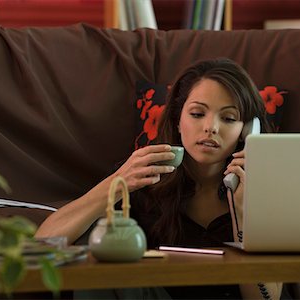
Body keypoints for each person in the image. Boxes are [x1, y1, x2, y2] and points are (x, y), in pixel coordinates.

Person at [36, 58, 283, 299]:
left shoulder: (261, 190)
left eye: (228, 118)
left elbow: (266, 298)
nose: (211, 128)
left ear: (246, 130)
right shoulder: (141, 176)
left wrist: (245, 215)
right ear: (177, 120)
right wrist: (116, 183)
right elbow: (43, 245)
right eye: (197, 113)